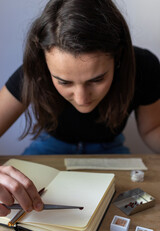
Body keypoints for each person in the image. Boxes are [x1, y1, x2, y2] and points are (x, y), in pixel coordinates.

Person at [0, 0, 160, 216]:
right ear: (45, 64)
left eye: (97, 79)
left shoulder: (143, 66)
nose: (82, 98)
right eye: (64, 82)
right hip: (49, 148)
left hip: (109, 150)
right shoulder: (34, 71)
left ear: (118, 56)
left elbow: (152, 130)